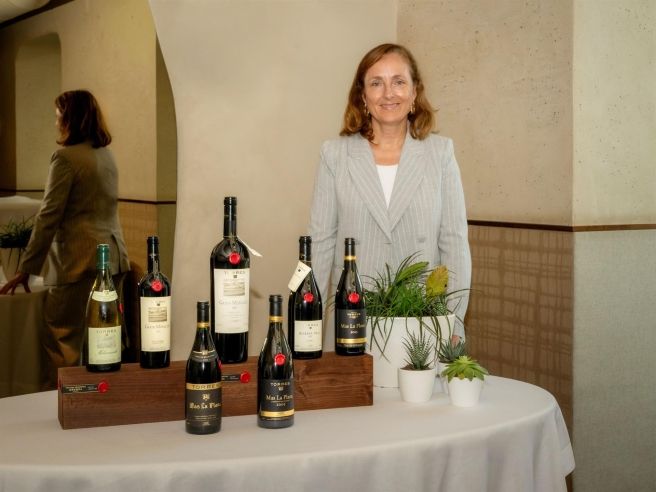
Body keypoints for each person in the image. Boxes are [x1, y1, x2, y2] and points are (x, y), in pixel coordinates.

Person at [308, 43, 471, 340]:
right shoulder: (334, 155)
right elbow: (320, 243)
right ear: (362, 96)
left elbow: (454, 243)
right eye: (376, 83)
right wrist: (307, 325)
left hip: (424, 321)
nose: (388, 93)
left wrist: (454, 320)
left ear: (414, 92)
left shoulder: (440, 153)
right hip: (352, 320)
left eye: (398, 82)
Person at [0, 89, 130, 388]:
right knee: (104, 341)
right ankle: (101, 399)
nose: (56, 121)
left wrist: (27, 268)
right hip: (113, 258)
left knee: (63, 343)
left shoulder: (65, 158)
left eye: (58, 114)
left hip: (77, 262)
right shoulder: (105, 156)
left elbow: (49, 215)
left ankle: (61, 402)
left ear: (70, 118)